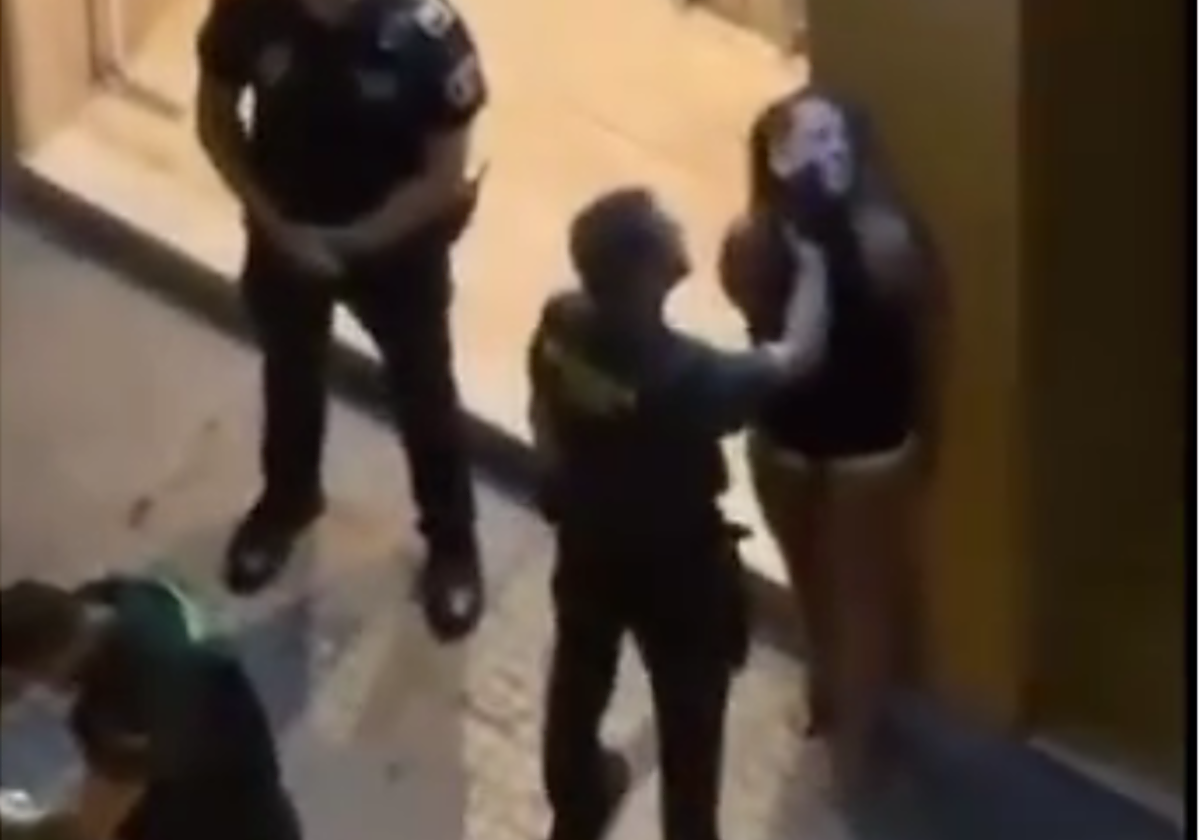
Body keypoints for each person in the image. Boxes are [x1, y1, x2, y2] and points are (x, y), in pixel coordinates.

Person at [529, 187, 833, 840]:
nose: (678, 229)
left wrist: (558, 478)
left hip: (589, 548)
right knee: (690, 729)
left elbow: (543, 409)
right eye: (663, 227)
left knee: (578, 682)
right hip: (678, 577)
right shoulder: (691, 378)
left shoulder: (562, 324)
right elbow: (797, 354)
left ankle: (577, 797)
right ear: (643, 271)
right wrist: (815, 262)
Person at [195, 0, 488, 640]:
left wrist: (351, 242)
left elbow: (443, 173)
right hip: (285, 233)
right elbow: (216, 121)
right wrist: (279, 227)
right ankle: (288, 502)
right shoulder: (249, 13)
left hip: (398, 253)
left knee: (424, 394)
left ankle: (452, 544)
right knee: (290, 369)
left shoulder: (428, 37)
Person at [717, 87, 949, 793]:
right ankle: (841, 712)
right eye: (814, 142)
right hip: (825, 445)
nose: (831, 155)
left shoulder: (864, 241)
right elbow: (927, 340)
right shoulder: (773, 241)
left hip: (829, 444)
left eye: (839, 140)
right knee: (836, 588)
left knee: (840, 589)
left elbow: (921, 337)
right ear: (777, 156)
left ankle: (843, 717)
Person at [0, 576, 301, 840]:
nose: (38, 690)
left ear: (55, 659)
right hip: (238, 772)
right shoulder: (128, 598)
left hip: (215, 819)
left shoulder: (123, 704)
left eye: (34, 679)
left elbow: (95, 824)